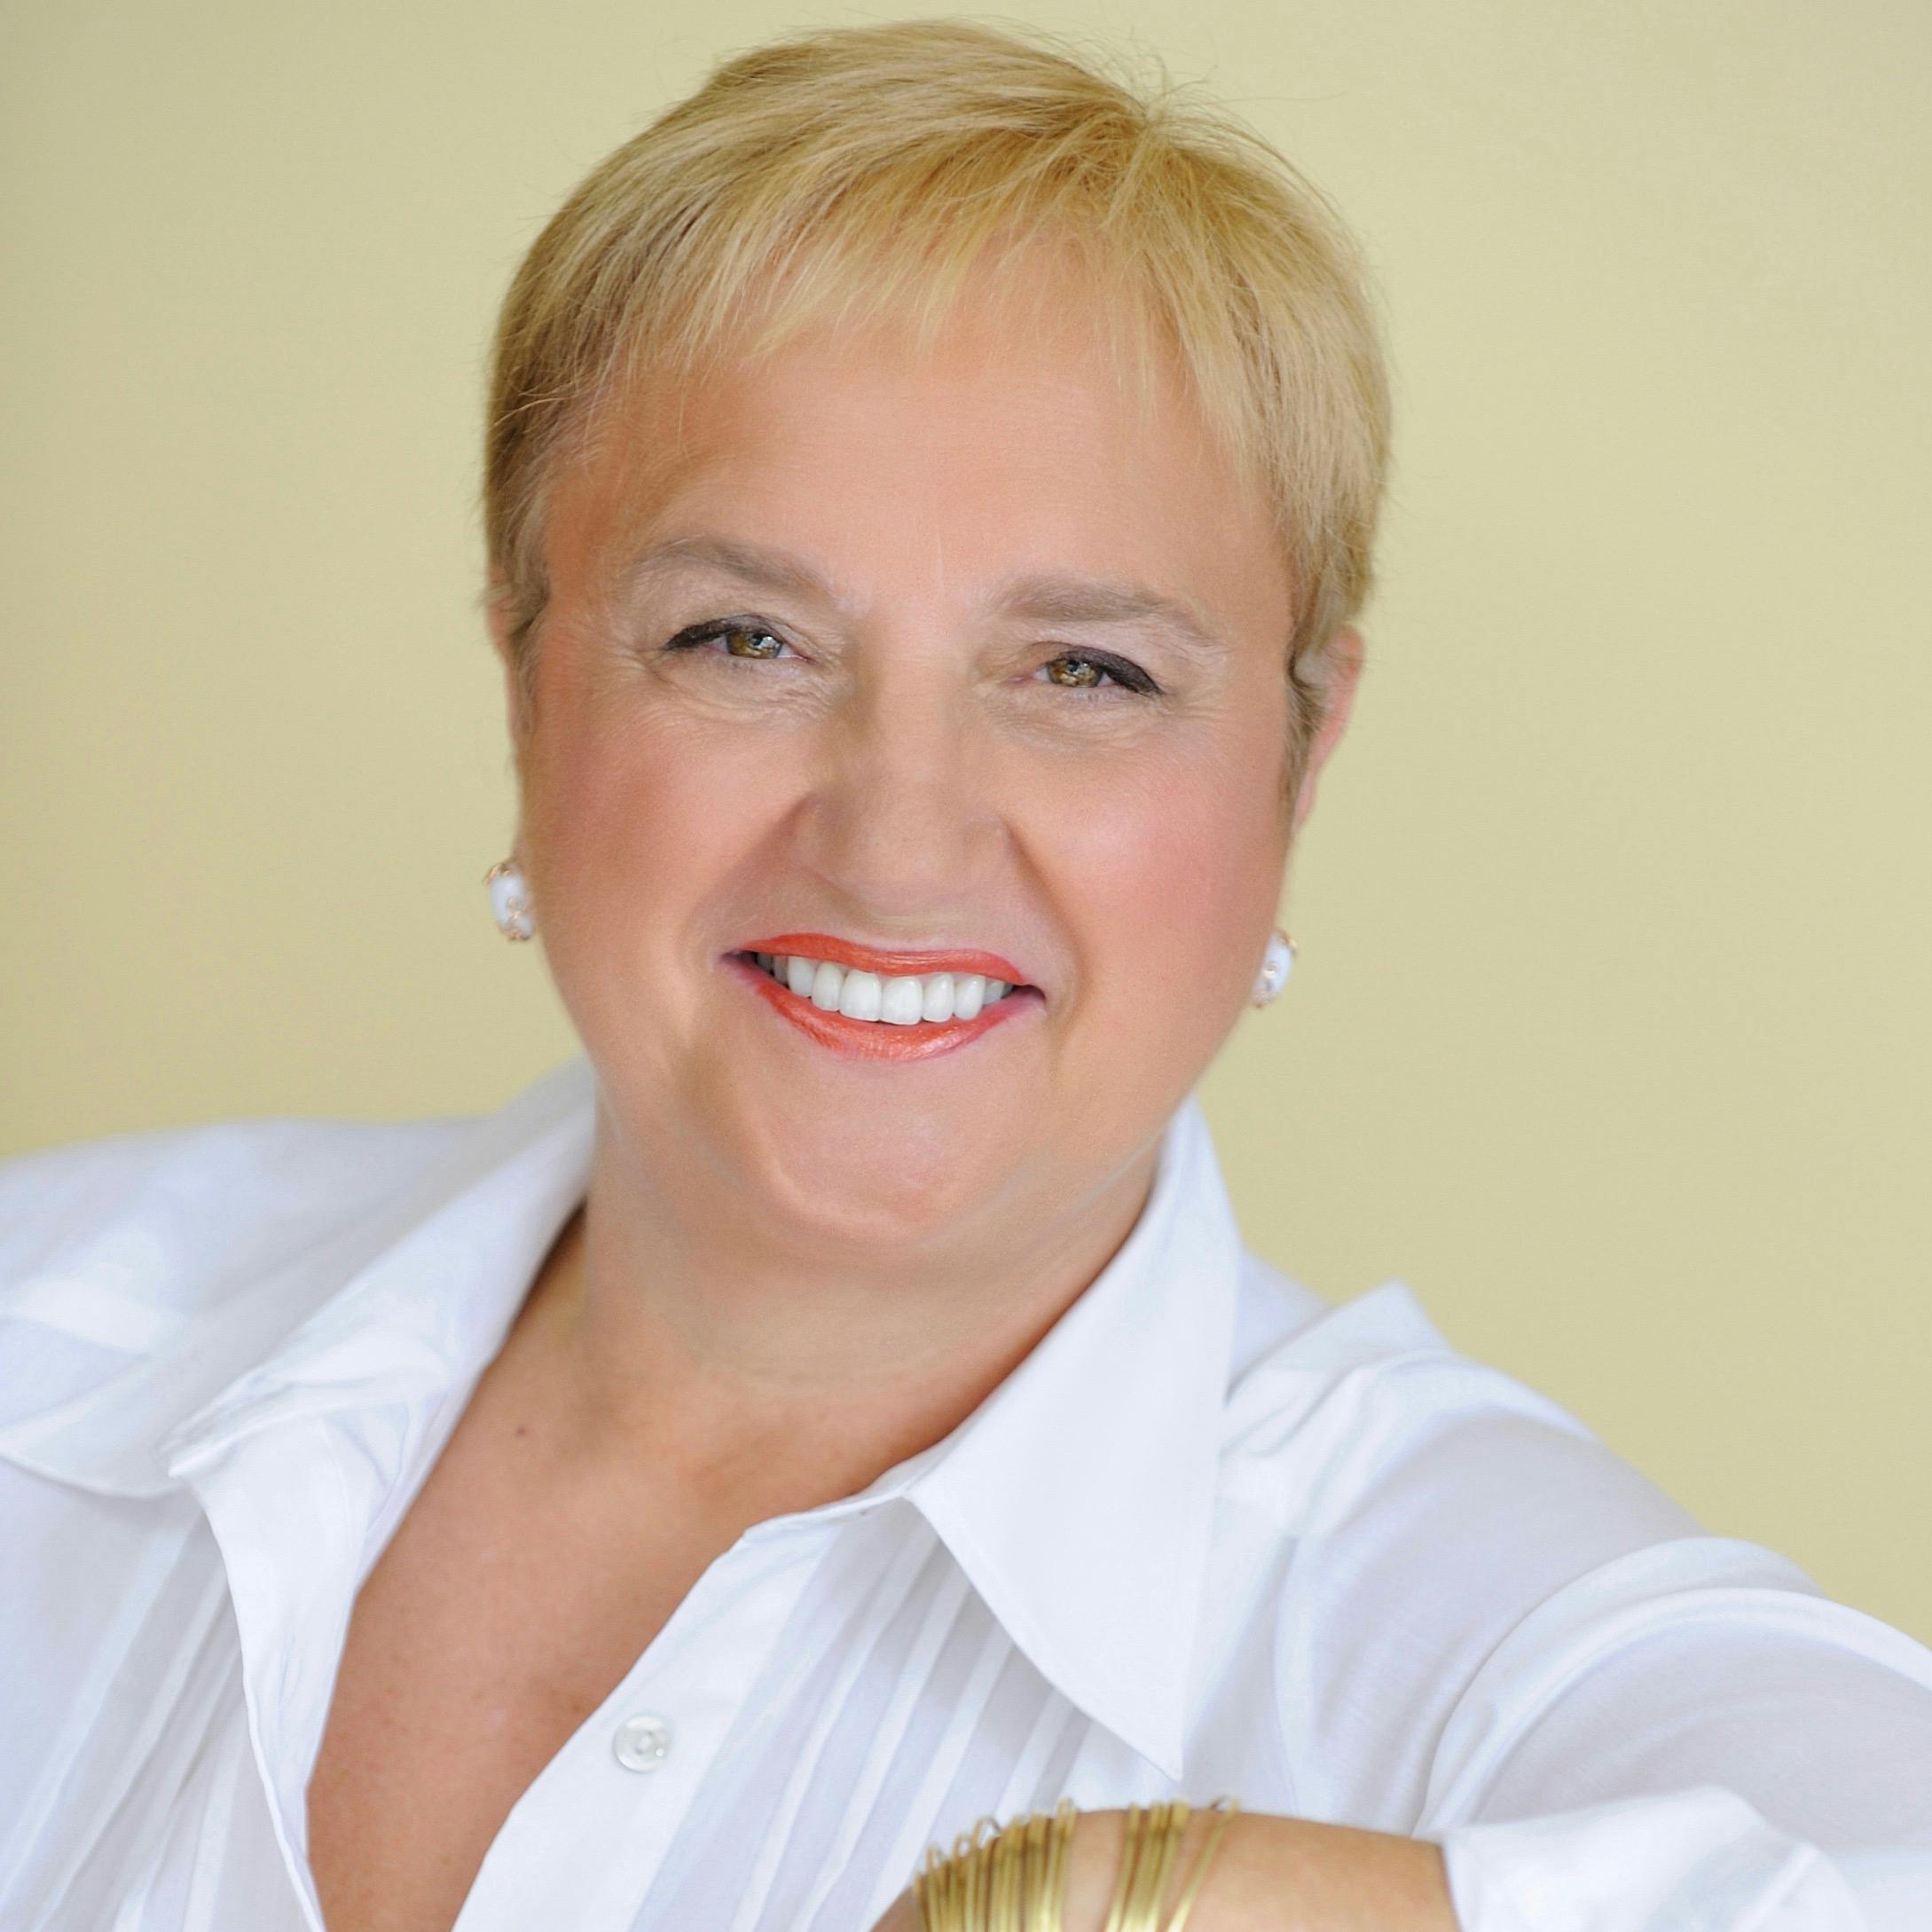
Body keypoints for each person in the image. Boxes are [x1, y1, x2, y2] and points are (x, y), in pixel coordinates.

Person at [1, 16, 1928, 1932]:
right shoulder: (45, 1324)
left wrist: (1162, 1896)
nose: (897, 840)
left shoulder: (1446, 1613)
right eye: (743, 638)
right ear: (528, 674)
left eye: (1087, 670)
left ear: (1301, 751)